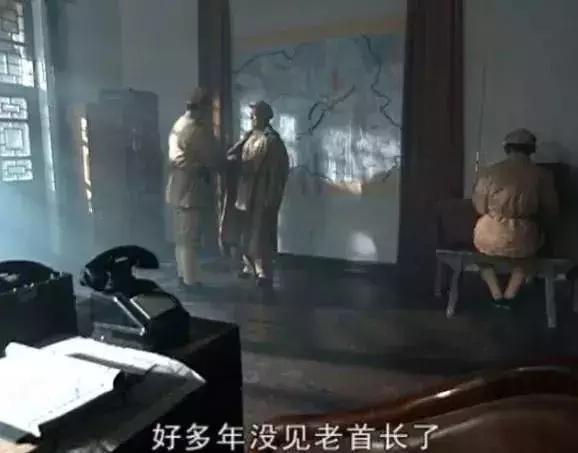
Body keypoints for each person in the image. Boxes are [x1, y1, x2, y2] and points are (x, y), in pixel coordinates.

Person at [472, 128, 559, 307]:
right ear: (531, 149)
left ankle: (496, 293)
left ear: (507, 148)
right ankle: (511, 294)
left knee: (481, 257)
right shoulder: (542, 174)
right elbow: (551, 209)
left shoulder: (489, 172)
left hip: (489, 232)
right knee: (528, 257)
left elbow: (480, 206)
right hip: (523, 233)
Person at [224, 101, 289, 288]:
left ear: (264, 117)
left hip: (262, 192)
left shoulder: (272, 141)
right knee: (246, 231)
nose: (252, 119)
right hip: (246, 191)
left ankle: (263, 271)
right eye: (251, 116)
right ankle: (249, 265)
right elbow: (233, 154)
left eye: (255, 116)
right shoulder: (249, 136)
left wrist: (272, 196)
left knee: (261, 233)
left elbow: (278, 172)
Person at [166, 88, 219, 291]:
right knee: (190, 239)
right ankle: (190, 281)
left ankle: (183, 275)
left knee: (181, 238)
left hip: (177, 189)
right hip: (191, 190)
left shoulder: (179, 124)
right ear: (202, 108)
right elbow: (211, 156)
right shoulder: (196, 129)